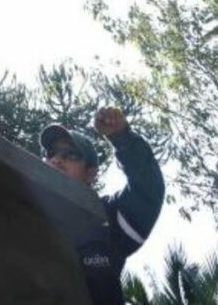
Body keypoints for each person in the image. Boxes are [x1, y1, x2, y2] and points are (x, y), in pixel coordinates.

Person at [40, 108, 165, 305]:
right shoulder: (16, 205)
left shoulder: (107, 217)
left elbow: (147, 190)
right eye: (51, 153)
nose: (57, 160)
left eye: (70, 155)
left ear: (90, 174)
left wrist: (123, 137)